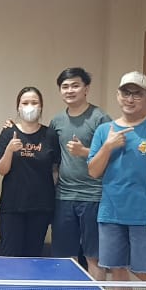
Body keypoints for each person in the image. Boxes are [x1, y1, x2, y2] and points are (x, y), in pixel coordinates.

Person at [88, 73, 146, 290]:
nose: (130, 99)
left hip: (145, 213)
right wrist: (108, 147)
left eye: (137, 93)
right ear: (118, 96)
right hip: (111, 212)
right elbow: (93, 171)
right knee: (118, 270)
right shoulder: (104, 130)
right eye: (125, 93)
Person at [49, 67, 111, 278]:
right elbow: (54, 160)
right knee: (65, 257)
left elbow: (110, 155)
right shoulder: (57, 121)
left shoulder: (100, 118)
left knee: (94, 256)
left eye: (75, 85)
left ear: (86, 88)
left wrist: (84, 151)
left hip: (93, 196)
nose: (70, 90)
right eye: (65, 86)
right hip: (64, 197)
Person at [0, 87, 59, 257]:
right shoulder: (8, 133)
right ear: (18, 107)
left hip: (41, 207)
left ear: (41, 107)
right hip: (12, 206)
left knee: (33, 256)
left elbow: (55, 170)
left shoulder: (50, 134)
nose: (29, 107)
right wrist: (9, 150)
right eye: (25, 103)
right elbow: (2, 170)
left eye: (34, 102)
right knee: (10, 257)